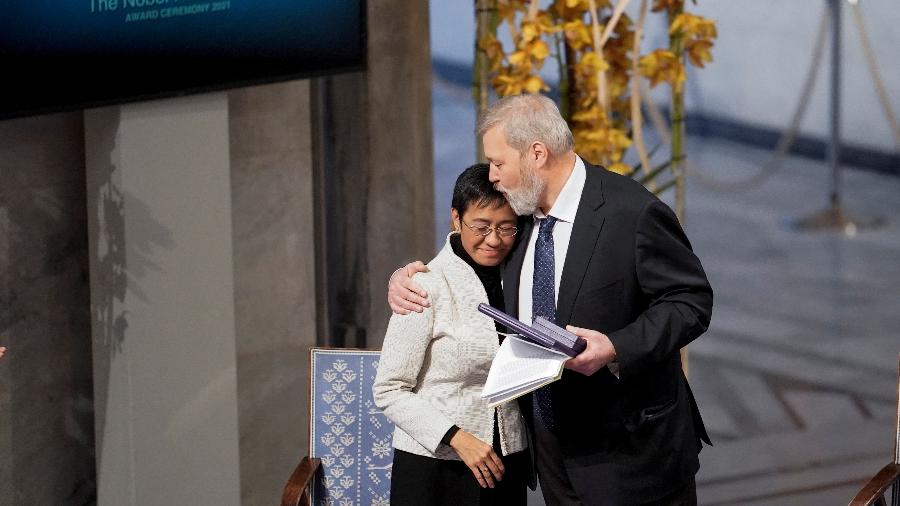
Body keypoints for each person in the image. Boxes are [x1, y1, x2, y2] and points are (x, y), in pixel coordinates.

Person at [388, 94, 713, 505]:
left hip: (631, 458)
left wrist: (614, 346)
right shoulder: (520, 217)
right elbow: (472, 248)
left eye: (499, 162)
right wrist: (408, 277)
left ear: (536, 153)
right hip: (551, 456)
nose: (493, 176)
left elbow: (690, 300)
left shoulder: (632, 212)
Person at [373, 163, 532, 506]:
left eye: (507, 227)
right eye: (482, 225)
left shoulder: (523, 279)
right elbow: (389, 390)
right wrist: (457, 437)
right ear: (456, 219)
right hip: (436, 467)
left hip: (506, 462)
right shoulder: (424, 285)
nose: (494, 239)